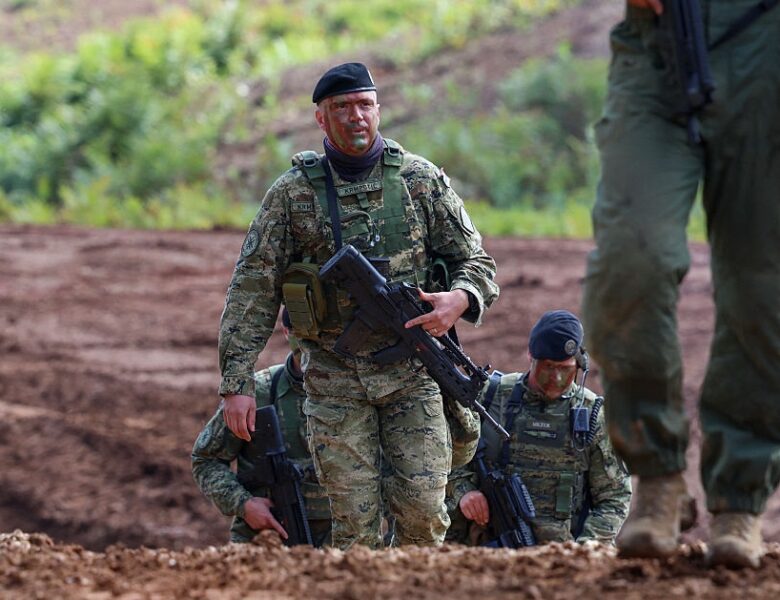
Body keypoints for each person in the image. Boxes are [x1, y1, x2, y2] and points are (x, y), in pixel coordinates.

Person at [217, 62, 499, 549]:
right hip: (333, 378)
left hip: (413, 373)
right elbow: (252, 289)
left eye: (364, 105)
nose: (355, 117)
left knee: (424, 515)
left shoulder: (419, 181)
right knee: (353, 527)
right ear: (320, 119)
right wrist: (236, 382)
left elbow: (475, 260)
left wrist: (461, 298)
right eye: (341, 108)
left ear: (379, 110)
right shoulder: (292, 194)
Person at [581, 0, 780, 568]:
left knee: (763, 289)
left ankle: (740, 495)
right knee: (629, 258)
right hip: (661, 40)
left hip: (769, 44)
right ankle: (658, 474)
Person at [446, 310, 631, 546]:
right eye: (547, 367)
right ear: (530, 357)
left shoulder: (594, 416)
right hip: (485, 550)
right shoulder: (491, 397)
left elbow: (614, 497)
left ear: (580, 364)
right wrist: (464, 491)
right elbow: (446, 456)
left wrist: (586, 550)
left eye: (565, 369)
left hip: (563, 555)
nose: (555, 378)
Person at [192, 312, 332, 546]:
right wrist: (244, 505)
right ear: (286, 332)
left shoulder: (356, 396)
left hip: (341, 543)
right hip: (265, 537)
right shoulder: (259, 392)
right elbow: (206, 459)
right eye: (303, 334)